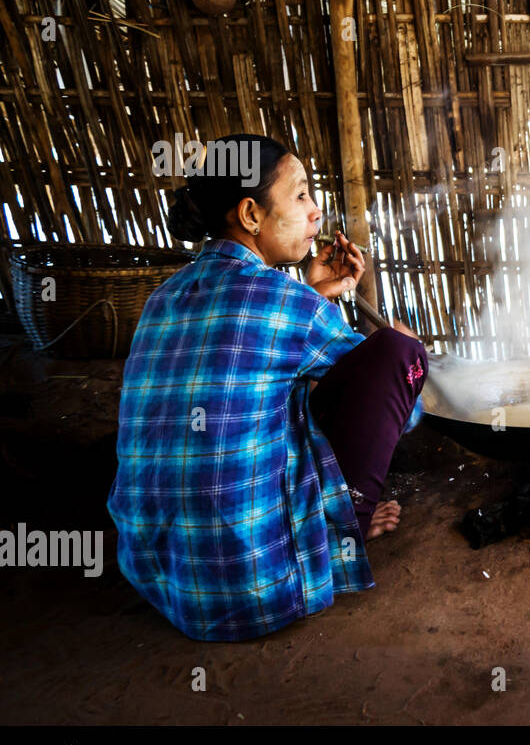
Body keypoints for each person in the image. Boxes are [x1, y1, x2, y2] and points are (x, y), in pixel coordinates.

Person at [106, 134, 428, 642]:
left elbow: (256, 357)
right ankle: (345, 531)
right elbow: (399, 407)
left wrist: (316, 293)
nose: (316, 211)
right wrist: (406, 347)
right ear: (252, 215)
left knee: (280, 399)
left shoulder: (162, 297)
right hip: (255, 587)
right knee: (399, 354)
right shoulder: (285, 301)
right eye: (300, 195)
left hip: (159, 577)